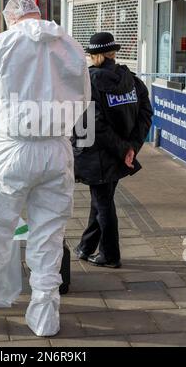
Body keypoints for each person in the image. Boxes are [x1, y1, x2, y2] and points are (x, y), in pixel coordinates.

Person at [0, 0, 91, 336]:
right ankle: (45, 317)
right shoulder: (71, 46)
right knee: (48, 235)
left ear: (10, 18)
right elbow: (84, 98)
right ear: (38, 14)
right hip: (57, 150)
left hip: (13, 150)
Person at [73, 32, 153, 269]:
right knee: (100, 200)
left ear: (94, 55)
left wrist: (125, 149)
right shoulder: (132, 80)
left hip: (97, 154)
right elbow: (146, 114)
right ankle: (86, 247)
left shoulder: (88, 83)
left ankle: (110, 254)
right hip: (119, 155)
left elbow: (94, 123)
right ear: (112, 53)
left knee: (103, 202)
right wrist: (132, 148)